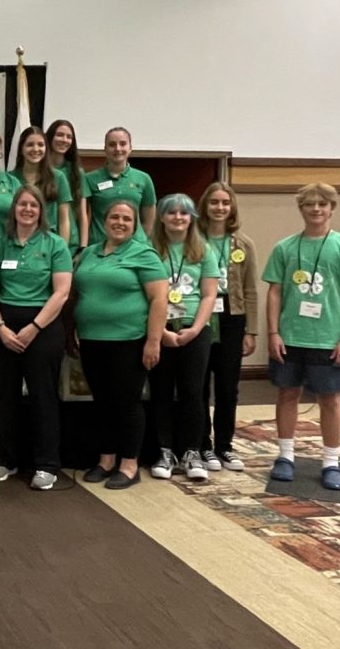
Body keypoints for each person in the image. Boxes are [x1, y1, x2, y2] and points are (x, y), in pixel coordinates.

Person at [263, 182, 340, 490]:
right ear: (301, 209)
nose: (316, 209)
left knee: (330, 399)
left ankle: (331, 462)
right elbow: (274, 292)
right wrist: (273, 332)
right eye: (309, 204)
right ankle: (285, 457)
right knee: (287, 394)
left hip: (328, 338)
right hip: (291, 336)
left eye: (322, 204)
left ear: (331, 208)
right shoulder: (285, 247)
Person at [73, 201, 168, 489]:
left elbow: (159, 299)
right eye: (114, 216)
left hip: (129, 341)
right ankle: (106, 460)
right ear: (104, 221)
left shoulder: (144, 254)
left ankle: (129, 464)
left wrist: (153, 341)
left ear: (135, 223)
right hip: (92, 340)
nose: (120, 222)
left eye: (127, 218)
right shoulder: (89, 253)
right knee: (102, 403)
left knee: (126, 403)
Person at [0, 186, 72, 490]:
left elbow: (61, 292)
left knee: (43, 397)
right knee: (4, 396)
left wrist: (34, 327)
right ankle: (6, 460)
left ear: (41, 211)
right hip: (4, 328)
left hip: (43, 327)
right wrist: (0, 327)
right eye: (22, 204)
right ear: (14, 209)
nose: (27, 209)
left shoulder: (55, 245)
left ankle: (46, 464)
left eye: (33, 205)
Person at [148, 194, 219, 481]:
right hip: (159, 329)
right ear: (161, 217)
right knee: (161, 391)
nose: (178, 217)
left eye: (184, 213)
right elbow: (144, 294)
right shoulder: (150, 249)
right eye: (171, 212)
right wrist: (160, 332)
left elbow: (209, 294)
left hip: (195, 329)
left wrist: (196, 329)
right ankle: (165, 451)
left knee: (193, 392)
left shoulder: (204, 250)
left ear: (192, 218)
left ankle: (192, 451)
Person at [197, 182, 258, 472]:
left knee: (227, 387)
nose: (220, 208)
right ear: (205, 206)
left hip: (232, 318)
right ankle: (202, 445)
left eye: (225, 203)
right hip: (199, 315)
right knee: (197, 385)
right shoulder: (192, 240)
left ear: (232, 207)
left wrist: (252, 330)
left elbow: (250, 290)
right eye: (214, 202)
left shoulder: (243, 244)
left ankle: (224, 445)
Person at [84, 127, 156, 246]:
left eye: (123, 144)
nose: (118, 149)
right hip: (101, 244)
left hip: (135, 246)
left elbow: (149, 219)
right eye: (112, 144)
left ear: (130, 148)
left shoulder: (144, 178)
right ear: (105, 149)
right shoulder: (89, 179)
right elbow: (82, 216)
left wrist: (140, 239)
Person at [10, 126, 71, 246]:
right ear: (21, 149)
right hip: (18, 242)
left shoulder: (58, 177)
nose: (36, 149)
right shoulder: (10, 178)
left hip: (49, 243)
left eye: (40, 145)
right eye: (30, 145)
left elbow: (64, 219)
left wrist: (63, 249)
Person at [45, 119, 90, 253]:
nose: (64, 140)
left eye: (69, 137)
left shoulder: (77, 173)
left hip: (71, 241)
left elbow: (82, 214)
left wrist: (83, 247)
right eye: (59, 135)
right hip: (44, 237)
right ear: (50, 137)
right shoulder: (39, 170)